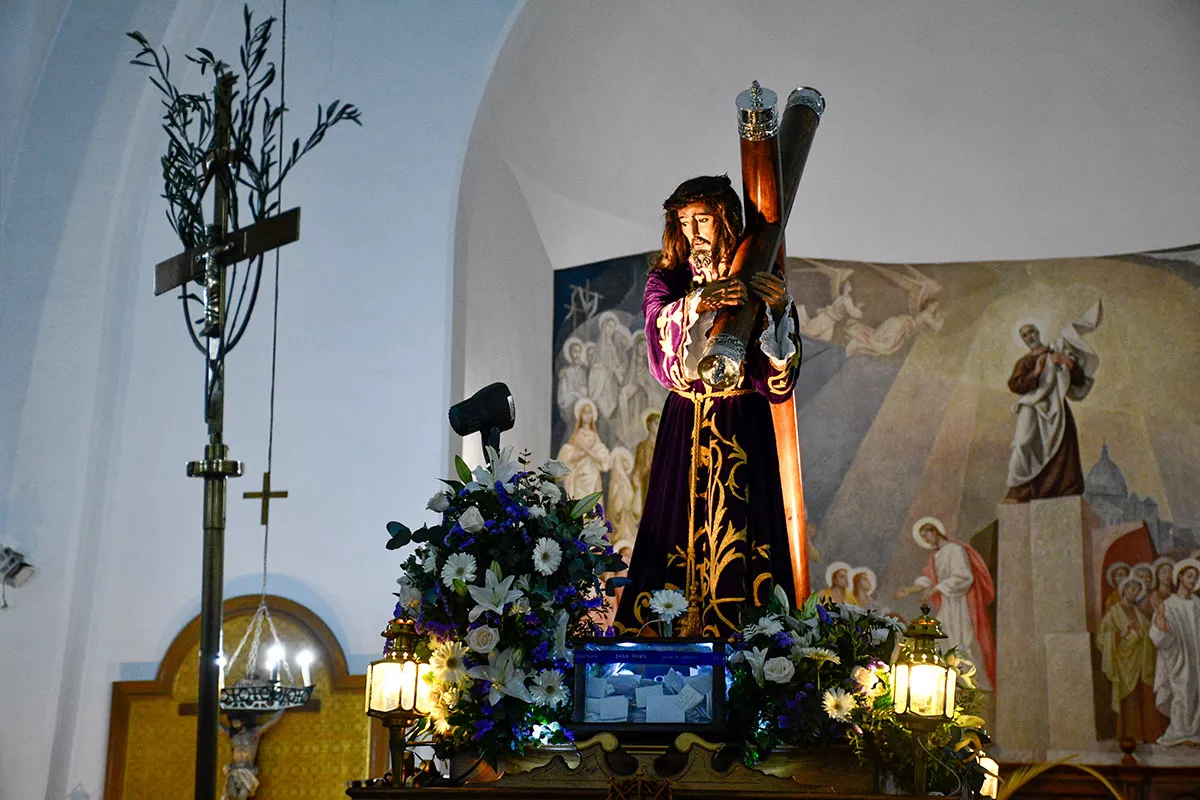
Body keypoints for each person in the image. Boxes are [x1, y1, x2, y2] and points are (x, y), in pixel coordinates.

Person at [615, 175, 801, 636]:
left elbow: (777, 385)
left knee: (747, 531)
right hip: (685, 423)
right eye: (683, 222)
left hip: (742, 422)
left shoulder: (758, 274)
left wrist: (778, 313)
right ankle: (662, 635)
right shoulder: (669, 280)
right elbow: (660, 350)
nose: (692, 233)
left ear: (726, 220)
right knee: (671, 527)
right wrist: (699, 302)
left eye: (702, 221)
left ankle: (749, 643)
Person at [1003, 316, 1097, 503]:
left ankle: (1064, 490)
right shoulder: (1025, 362)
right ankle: (1021, 489)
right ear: (1023, 340)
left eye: (1031, 332)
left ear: (1038, 332)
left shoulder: (1058, 351)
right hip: (1033, 408)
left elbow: (1078, 378)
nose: (1029, 336)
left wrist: (1066, 362)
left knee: (1063, 447)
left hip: (1057, 409)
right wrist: (1037, 371)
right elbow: (1015, 385)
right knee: (1023, 444)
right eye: (1025, 335)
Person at [895, 517, 997, 690]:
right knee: (945, 640)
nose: (926, 541)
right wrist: (911, 590)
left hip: (961, 605)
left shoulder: (955, 550)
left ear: (935, 531)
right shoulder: (936, 555)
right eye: (923, 538)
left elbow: (963, 577)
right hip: (947, 605)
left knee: (962, 640)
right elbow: (929, 578)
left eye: (927, 535)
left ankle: (969, 684)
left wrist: (937, 589)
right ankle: (951, 683)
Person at [1095, 575, 1160, 742]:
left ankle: (1143, 736)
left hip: (1140, 662)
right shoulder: (1113, 613)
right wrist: (1119, 635)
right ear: (1124, 590)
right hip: (1123, 664)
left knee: (1141, 699)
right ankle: (1128, 736)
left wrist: (1140, 632)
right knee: (1128, 702)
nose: (1134, 592)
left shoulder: (1138, 612)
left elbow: (1149, 634)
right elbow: (1101, 638)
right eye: (1131, 589)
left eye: (1137, 590)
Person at [1150, 558, 1200, 745]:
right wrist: (1161, 618)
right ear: (1180, 578)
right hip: (1179, 658)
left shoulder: (1197, 603)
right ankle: (1179, 732)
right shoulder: (1169, 604)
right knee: (1182, 692)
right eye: (1189, 576)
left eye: (1195, 577)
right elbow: (1159, 638)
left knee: (1197, 694)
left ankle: (1195, 731)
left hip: (1197, 658)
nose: (1193, 581)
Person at [220, 710, 283, 800]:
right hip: (234, 770)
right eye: (233, 722)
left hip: (247, 770)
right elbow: (217, 725)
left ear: (243, 721)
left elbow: (271, 722)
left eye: (237, 721)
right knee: (231, 795)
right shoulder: (233, 735)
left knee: (243, 795)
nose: (235, 724)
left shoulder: (253, 733)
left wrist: (282, 709)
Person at [556, 398, 611, 500]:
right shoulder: (577, 435)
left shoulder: (595, 436)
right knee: (579, 500)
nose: (588, 416)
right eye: (585, 413)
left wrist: (587, 451)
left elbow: (602, 457)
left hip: (592, 474)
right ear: (580, 415)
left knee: (592, 505)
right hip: (580, 474)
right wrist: (581, 453)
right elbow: (570, 457)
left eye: (590, 413)